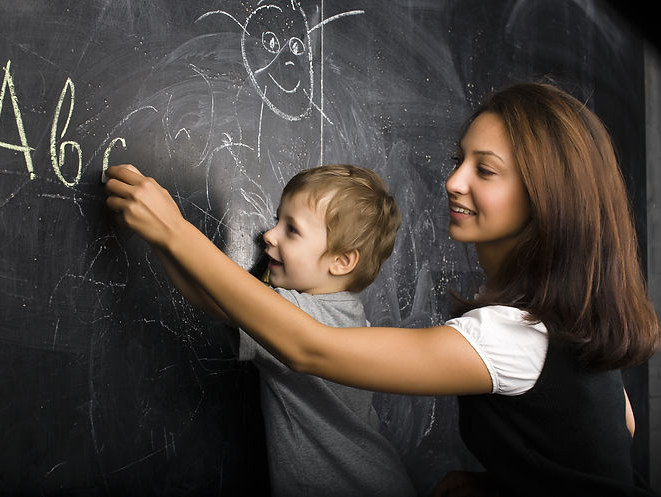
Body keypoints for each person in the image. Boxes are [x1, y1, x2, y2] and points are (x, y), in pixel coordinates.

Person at [104, 82, 661, 496]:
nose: (453, 181)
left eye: (484, 170)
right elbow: (621, 427)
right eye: (457, 160)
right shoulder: (564, 330)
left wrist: (176, 230)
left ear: (547, 197)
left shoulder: (511, 336)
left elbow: (309, 347)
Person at [111, 163, 416, 496]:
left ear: (342, 261)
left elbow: (213, 297)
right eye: (277, 221)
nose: (268, 235)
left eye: (292, 230)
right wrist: (158, 237)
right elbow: (212, 296)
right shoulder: (346, 315)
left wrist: (167, 229)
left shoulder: (307, 317)